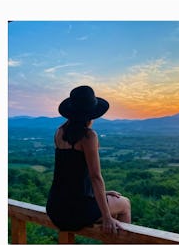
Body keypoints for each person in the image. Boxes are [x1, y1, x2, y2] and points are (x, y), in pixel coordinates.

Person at [46, 85, 131, 234]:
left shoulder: (59, 132)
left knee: (112, 200)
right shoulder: (88, 136)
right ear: (91, 114)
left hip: (55, 208)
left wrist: (100, 194)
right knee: (125, 204)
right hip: (77, 211)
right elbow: (95, 177)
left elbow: (70, 174)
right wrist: (106, 217)